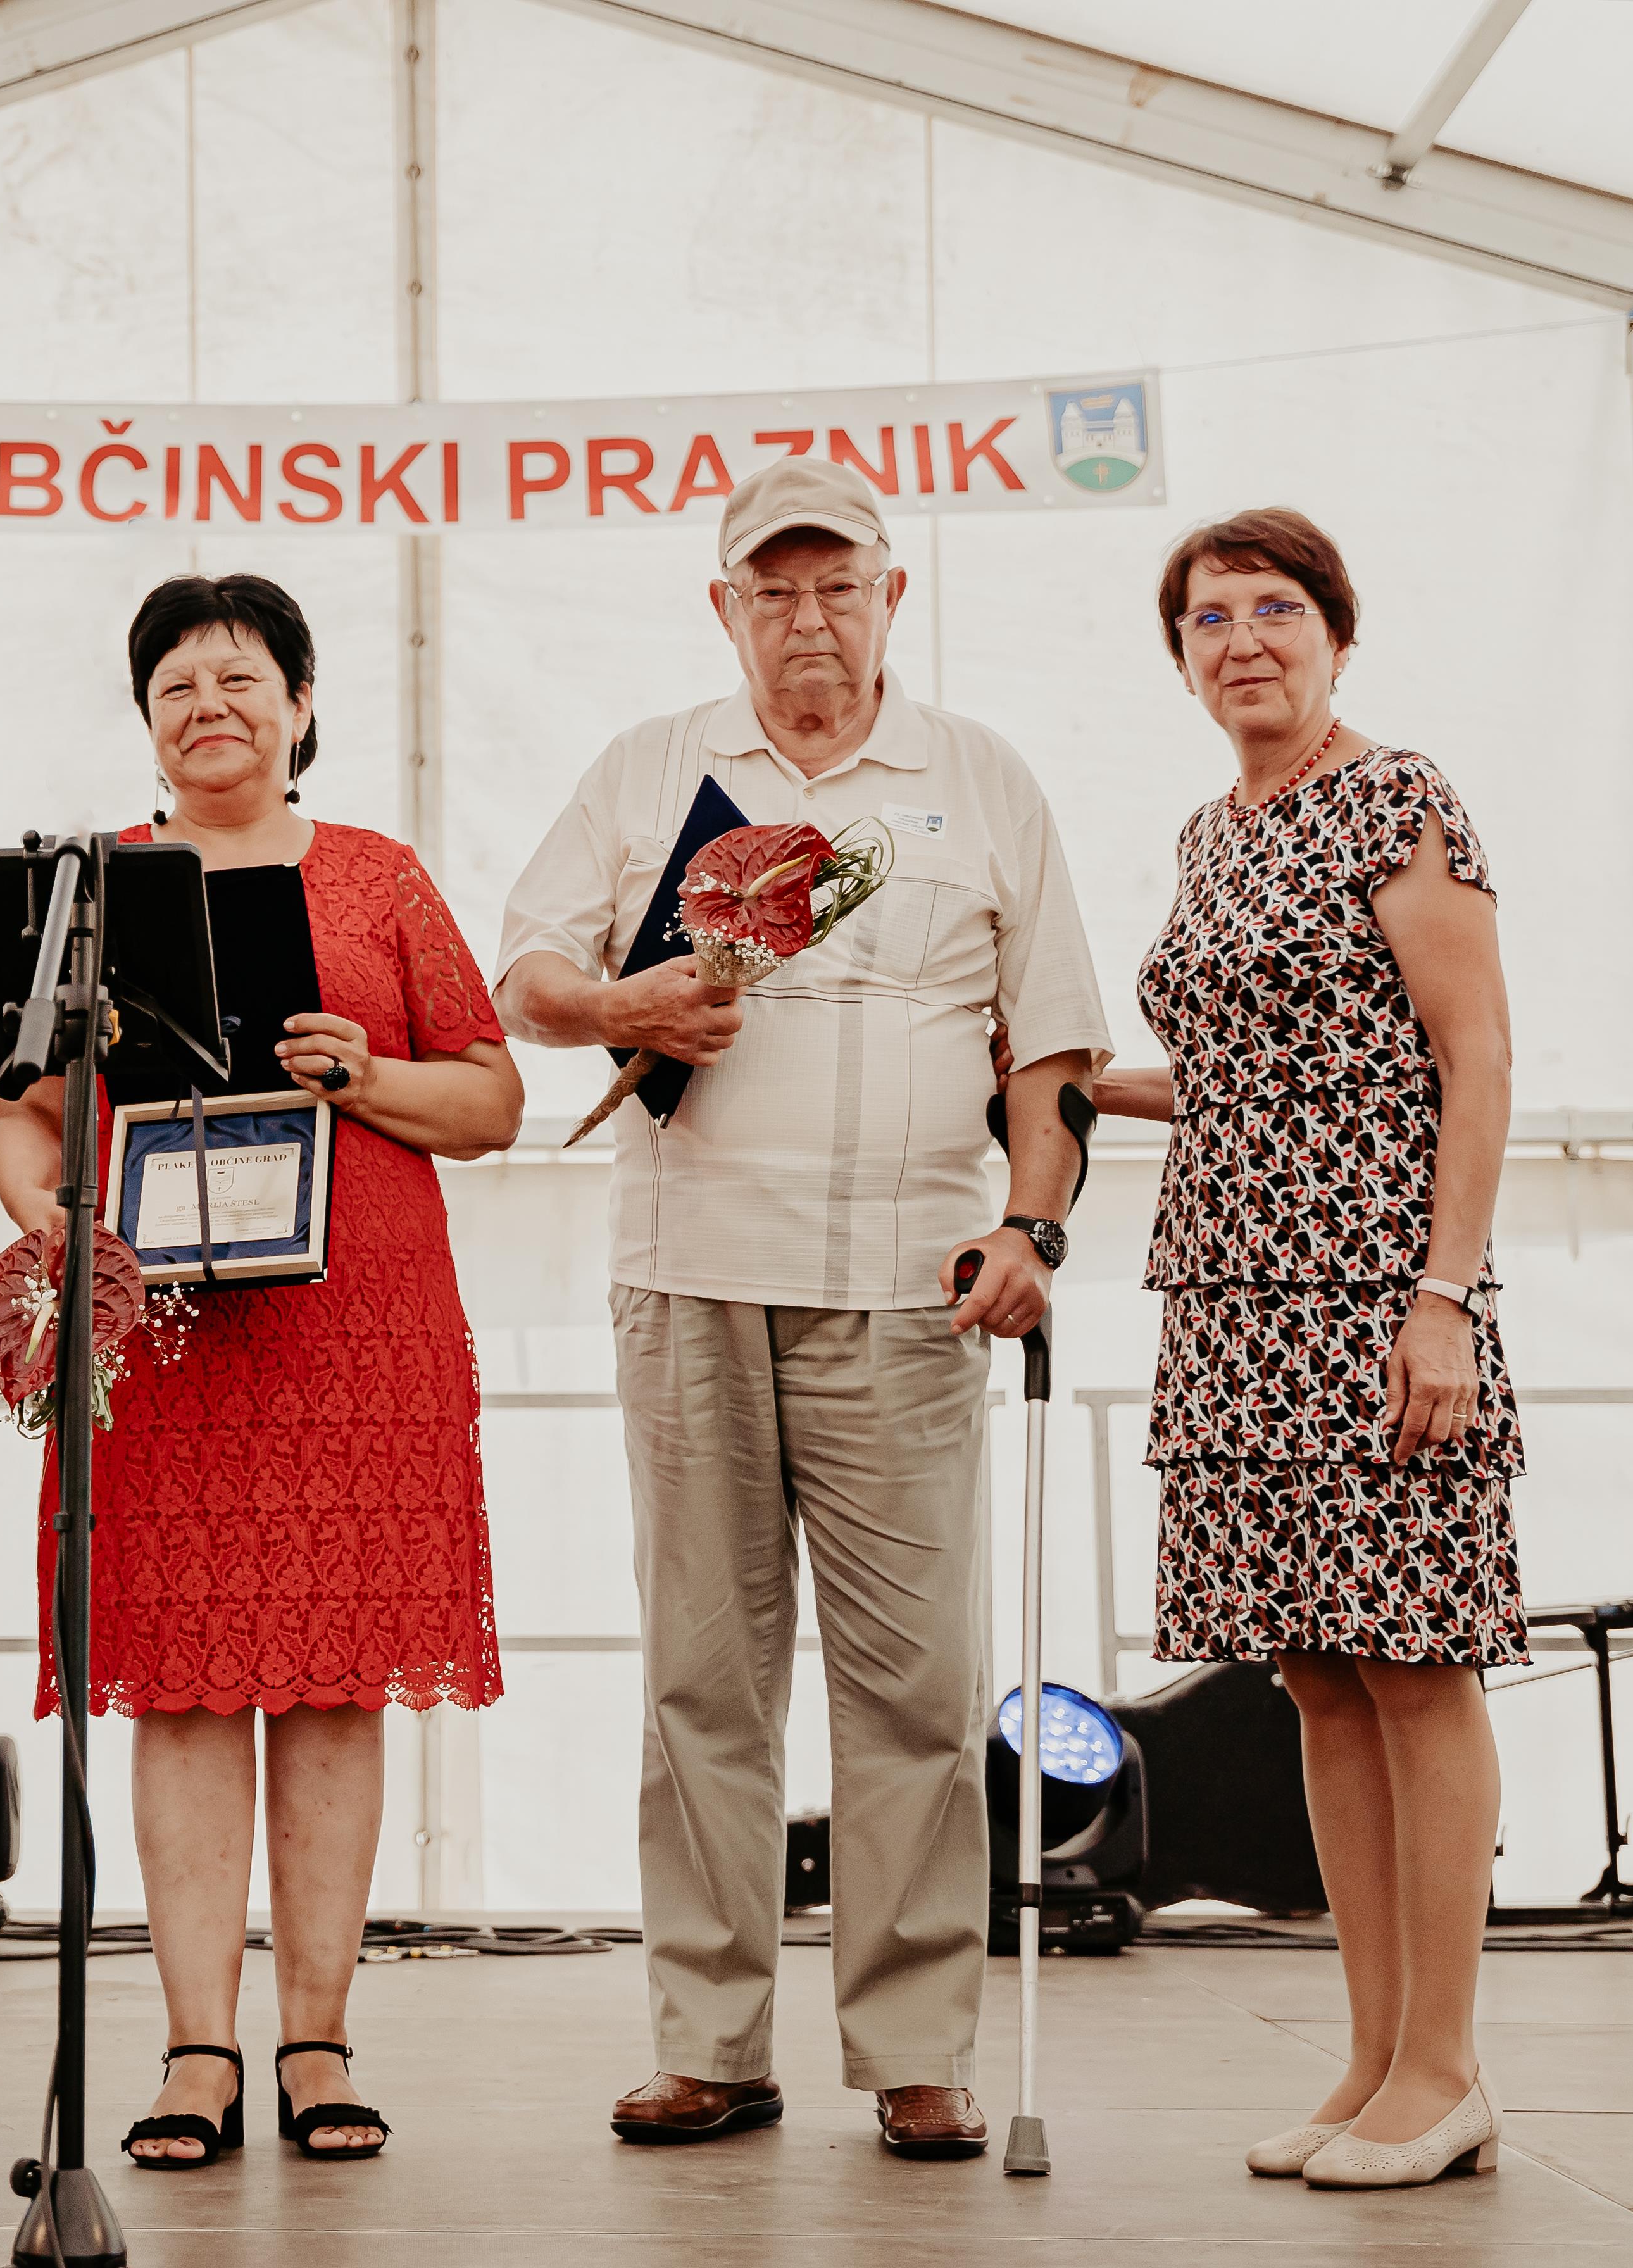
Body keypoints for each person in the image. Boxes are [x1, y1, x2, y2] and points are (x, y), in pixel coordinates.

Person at [494, 455, 1108, 2161]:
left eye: (840, 585)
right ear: (726, 607)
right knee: (703, 1679)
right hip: (689, 1274)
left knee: (917, 1684)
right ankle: (709, 2040)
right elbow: (525, 971)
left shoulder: (982, 779)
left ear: (894, 598)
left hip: (911, 1291)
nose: (809, 618)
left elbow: (1051, 1040)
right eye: (774, 589)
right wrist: (621, 1003)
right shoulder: (647, 768)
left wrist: (1033, 1225)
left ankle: (915, 2049)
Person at [0, 575, 522, 2168]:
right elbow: (21, 1114)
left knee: (337, 1682)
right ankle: (197, 2049)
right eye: (176, 684)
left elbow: (492, 1100)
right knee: (186, 1687)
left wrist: (369, 1075)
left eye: (241, 677)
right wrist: (61, 1230)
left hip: (358, 1326)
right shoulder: (88, 888)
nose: (208, 705)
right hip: (166, 1331)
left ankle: (319, 2039)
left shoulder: (379, 875)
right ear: (144, 718)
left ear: (301, 704)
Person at [1094, 508, 1520, 2191]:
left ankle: (1449, 2068)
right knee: (1317, 1678)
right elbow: (1248, 1076)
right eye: (1209, 619)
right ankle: (1375, 2053)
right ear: (1181, 660)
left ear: (1338, 635)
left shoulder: (1400, 800)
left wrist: (1445, 1298)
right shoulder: (1209, 834)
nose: (1244, 640)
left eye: (1277, 608)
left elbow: (1474, 1059)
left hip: (1376, 1294)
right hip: (1231, 1299)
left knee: (1414, 1664)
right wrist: (1073, 1078)